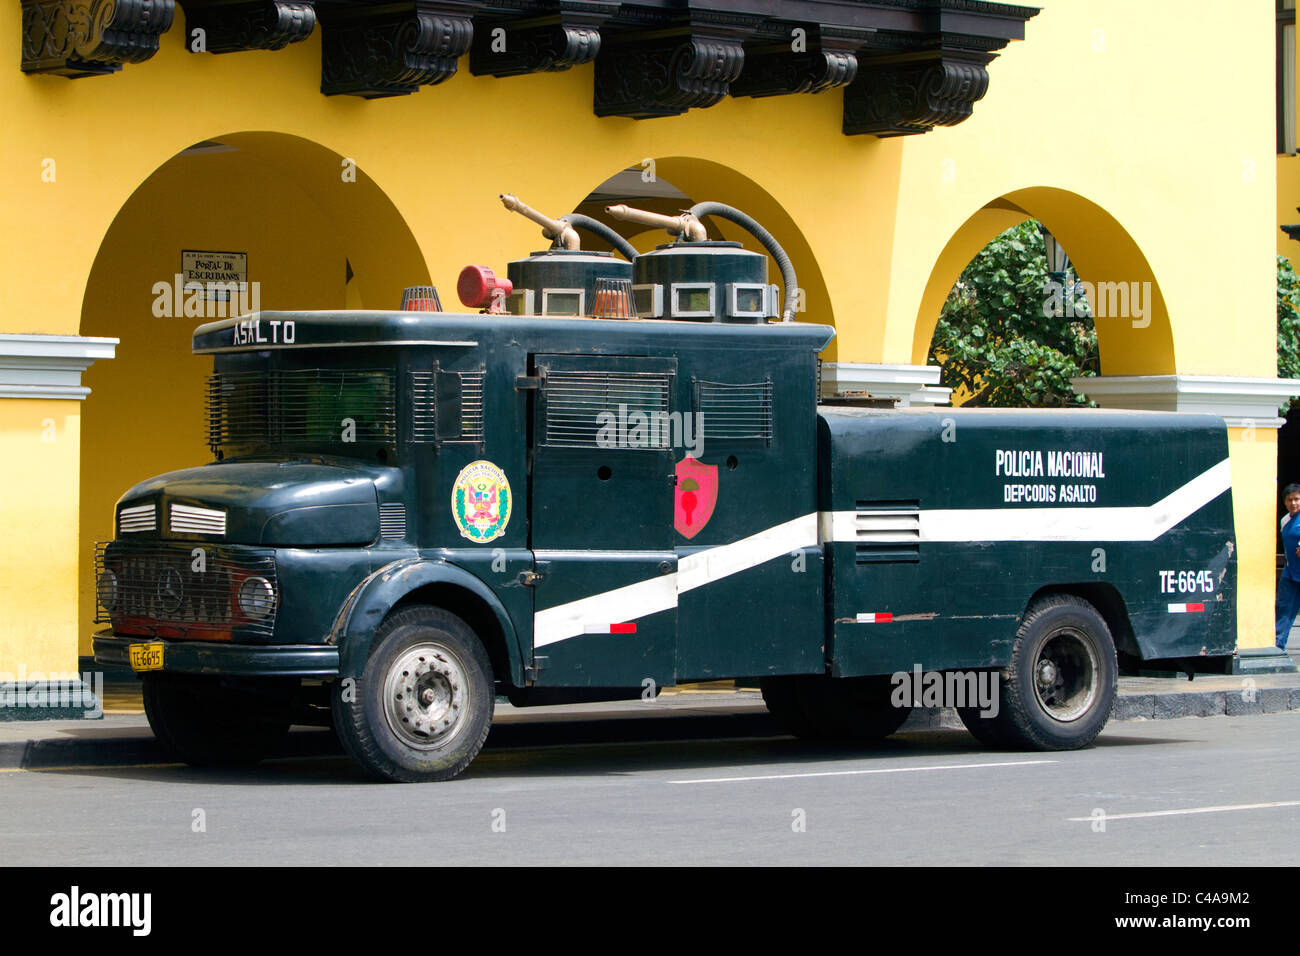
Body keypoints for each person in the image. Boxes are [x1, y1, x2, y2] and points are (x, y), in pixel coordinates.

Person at [1276, 483, 1300, 649]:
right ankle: (1277, 647)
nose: (1293, 503)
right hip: (1291, 573)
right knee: (1283, 610)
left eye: (1297, 499)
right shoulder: (1285, 520)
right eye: (1289, 500)